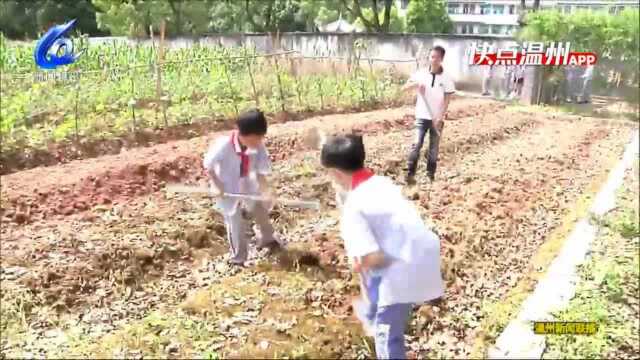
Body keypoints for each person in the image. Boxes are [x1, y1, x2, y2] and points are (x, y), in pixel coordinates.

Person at [320, 135, 444, 360]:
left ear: (336, 173)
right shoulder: (382, 183)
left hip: (398, 272)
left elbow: (368, 259)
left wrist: (369, 301)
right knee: (393, 319)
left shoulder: (355, 206)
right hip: (424, 256)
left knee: (386, 334)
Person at [203, 109, 282, 266]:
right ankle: (238, 258)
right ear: (244, 134)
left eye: (261, 138)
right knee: (234, 221)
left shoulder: (258, 146)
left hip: (248, 184)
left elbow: (260, 172)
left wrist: (266, 190)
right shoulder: (223, 145)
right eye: (255, 138)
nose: (258, 142)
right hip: (226, 187)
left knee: (260, 210)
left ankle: (268, 240)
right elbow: (209, 167)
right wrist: (218, 186)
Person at [403, 45, 456, 185]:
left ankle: (430, 175)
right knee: (416, 144)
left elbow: (447, 98)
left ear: (442, 59)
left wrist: (440, 116)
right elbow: (404, 88)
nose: (433, 60)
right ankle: (410, 174)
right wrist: (415, 86)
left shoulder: (447, 77)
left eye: (437, 57)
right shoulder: (420, 74)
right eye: (432, 57)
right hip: (421, 115)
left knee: (433, 149)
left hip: (436, 118)